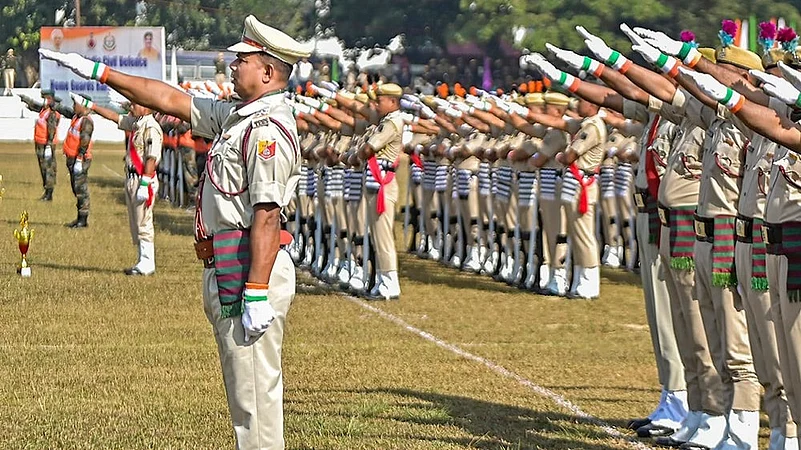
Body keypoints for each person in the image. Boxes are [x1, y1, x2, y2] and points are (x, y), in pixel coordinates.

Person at [40, 13, 310, 449]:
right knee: (244, 399)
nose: (232, 64)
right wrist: (99, 72)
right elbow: (169, 98)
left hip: (248, 269)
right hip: (229, 264)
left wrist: (257, 290)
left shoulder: (267, 130)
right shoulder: (239, 116)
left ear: (267, 71)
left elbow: (266, 215)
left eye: (243, 59)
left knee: (255, 398)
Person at [78, 98, 163, 275]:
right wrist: (92, 106)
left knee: (144, 221)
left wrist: (145, 183)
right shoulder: (138, 123)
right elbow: (115, 117)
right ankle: (141, 260)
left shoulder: (151, 128)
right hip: (132, 177)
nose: (132, 106)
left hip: (142, 179)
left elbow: (151, 158)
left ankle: (148, 263)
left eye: (136, 103)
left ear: (147, 106)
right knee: (135, 222)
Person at [359, 83, 404, 300]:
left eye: (381, 100)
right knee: (377, 235)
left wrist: (360, 151)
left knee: (383, 236)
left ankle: (390, 283)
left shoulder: (393, 123)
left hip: (383, 183)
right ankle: (382, 280)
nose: (376, 104)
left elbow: (369, 148)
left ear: (393, 102)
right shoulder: (385, 122)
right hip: (376, 182)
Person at [53, 93, 95, 228]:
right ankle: (79, 218)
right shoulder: (77, 117)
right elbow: (66, 111)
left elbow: (85, 141)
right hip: (72, 158)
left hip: (80, 159)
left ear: (83, 105)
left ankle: (83, 219)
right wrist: (54, 106)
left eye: (75, 104)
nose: (73, 106)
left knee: (81, 188)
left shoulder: (86, 121)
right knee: (76, 188)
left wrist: (79, 158)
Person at [19, 89, 61, 201]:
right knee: (43, 168)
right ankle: (46, 190)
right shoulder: (44, 110)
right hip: (40, 142)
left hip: (46, 144)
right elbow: (34, 106)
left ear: (50, 99)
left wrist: (49, 144)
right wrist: (27, 100)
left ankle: (49, 193)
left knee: (48, 168)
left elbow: (51, 129)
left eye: (45, 98)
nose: (43, 100)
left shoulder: (52, 112)